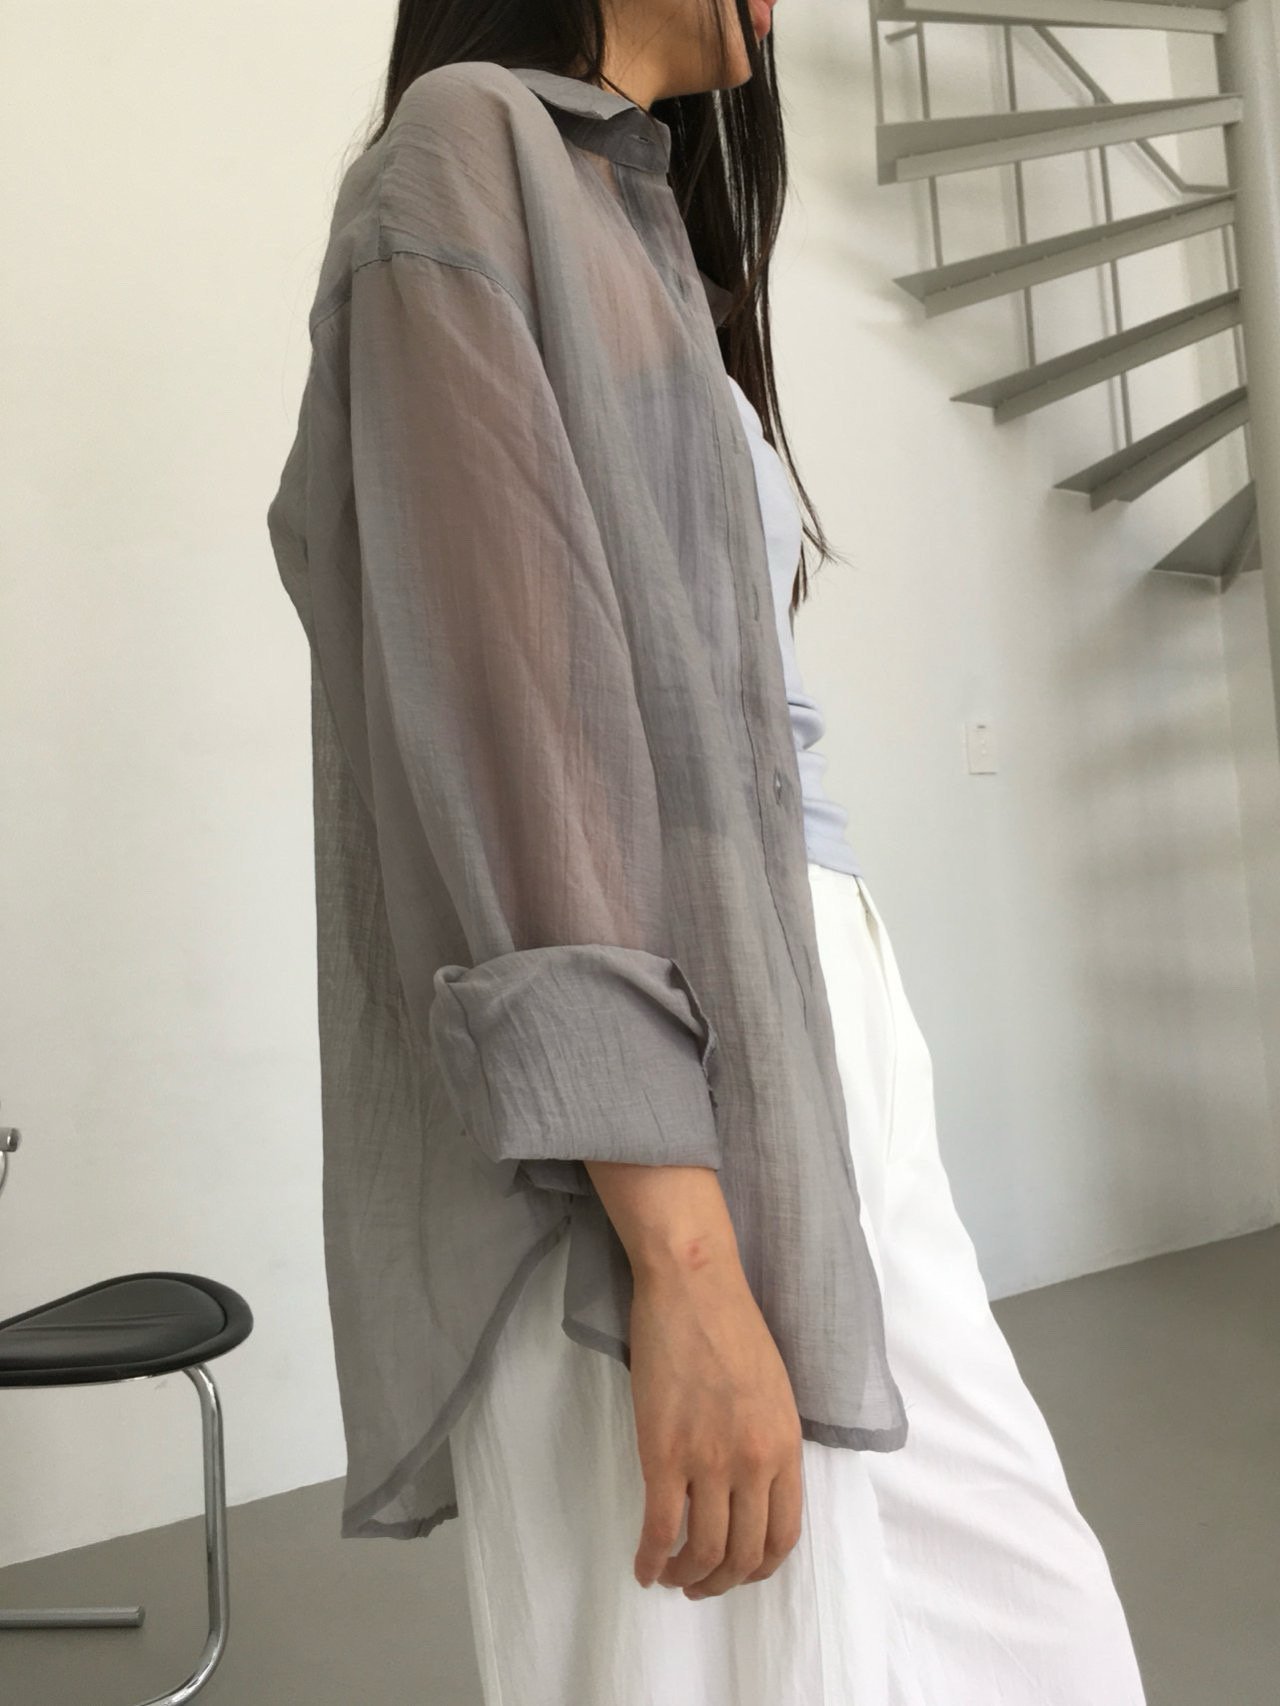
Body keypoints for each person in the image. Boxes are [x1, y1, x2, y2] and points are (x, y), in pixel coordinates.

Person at [266, 1, 1149, 1700]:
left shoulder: (634, 208)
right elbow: (515, 724)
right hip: (661, 1055)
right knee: (717, 1656)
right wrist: (675, 1248)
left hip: (809, 1011)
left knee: (1029, 1626)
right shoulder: (464, 150)